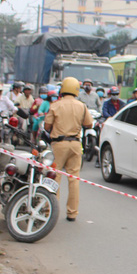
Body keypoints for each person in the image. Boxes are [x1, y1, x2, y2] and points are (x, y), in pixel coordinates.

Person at [44, 77, 93, 222]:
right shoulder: (82, 106)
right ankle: (72, 213)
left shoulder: (55, 105)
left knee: (55, 176)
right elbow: (89, 124)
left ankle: (50, 211)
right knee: (74, 179)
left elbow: (47, 126)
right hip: (76, 144)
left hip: (59, 144)